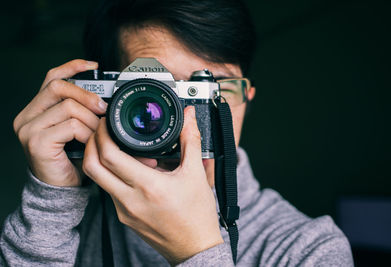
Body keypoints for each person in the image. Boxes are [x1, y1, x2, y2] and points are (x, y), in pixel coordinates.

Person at [0, 0, 354, 266]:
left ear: (246, 99)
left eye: (209, 90)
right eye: (155, 90)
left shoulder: (309, 250)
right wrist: (49, 206)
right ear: (105, 98)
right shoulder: (66, 229)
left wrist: (196, 250)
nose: (183, 120)